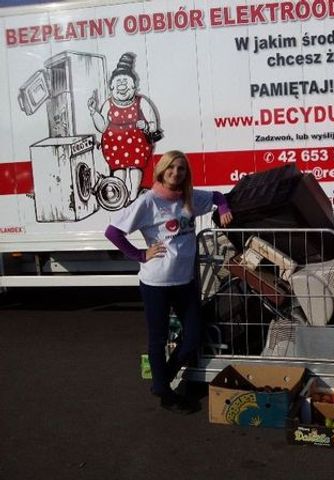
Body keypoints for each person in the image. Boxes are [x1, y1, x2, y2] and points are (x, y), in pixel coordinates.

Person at [104, 150, 233, 414]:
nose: (176, 173)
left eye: (181, 169)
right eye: (171, 168)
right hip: (156, 283)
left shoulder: (189, 197)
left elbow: (218, 196)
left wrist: (224, 208)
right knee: (158, 339)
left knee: (193, 336)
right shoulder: (148, 201)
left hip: (185, 281)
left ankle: (161, 380)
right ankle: (165, 392)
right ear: (162, 171)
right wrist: (140, 255)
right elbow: (113, 232)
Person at [89, 52, 161, 203]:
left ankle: (133, 196)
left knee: (135, 170)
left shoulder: (141, 102)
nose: (122, 84)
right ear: (112, 86)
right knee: (118, 172)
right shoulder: (108, 104)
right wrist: (94, 112)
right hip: (114, 147)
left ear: (134, 85)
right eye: (118, 81)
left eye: (125, 80)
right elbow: (102, 127)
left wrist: (146, 125)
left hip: (137, 146)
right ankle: (121, 198)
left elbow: (154, 126)